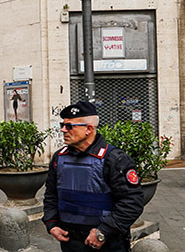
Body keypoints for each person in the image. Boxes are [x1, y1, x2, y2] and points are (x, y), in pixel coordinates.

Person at [43, 101, 144, 252]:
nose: (63, 130)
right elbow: (51, 194)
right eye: (62, 125)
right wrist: (51, 224)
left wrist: (103, 232)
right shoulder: (59, 158)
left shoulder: (114, 159)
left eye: (69, 126)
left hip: (106, 242)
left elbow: (132, 202)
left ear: (89, 129)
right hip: (70, 241)